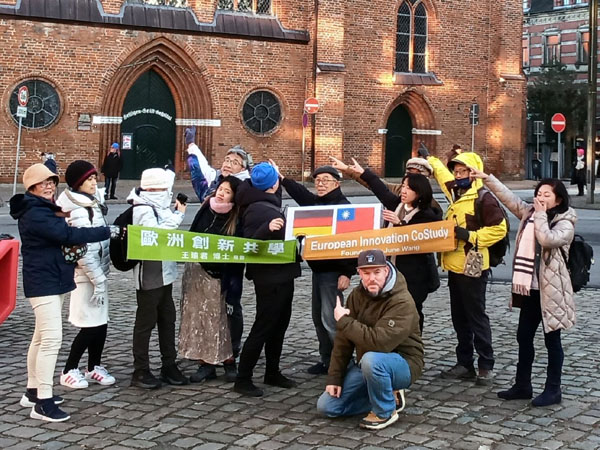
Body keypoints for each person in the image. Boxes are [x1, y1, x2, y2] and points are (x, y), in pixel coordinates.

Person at [10, 163, 114, 422]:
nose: (49, 186)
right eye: (43, 183)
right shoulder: (35, 212)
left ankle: (32, 392)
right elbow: (66, 234)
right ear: (31, 187)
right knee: (51, 340)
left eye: (52, 182)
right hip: (43, 281)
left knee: (39, 338)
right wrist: (104, 231)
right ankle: (43, 402)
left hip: (51, 278)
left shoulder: (42, 208)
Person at [470, 169, 576, 407]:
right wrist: (487, 178)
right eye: (539, 193)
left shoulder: (565, 221)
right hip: (529, 289)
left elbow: (547, 239)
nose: (541, 197)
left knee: (552, 341)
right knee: (524, 336)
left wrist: (539, 215)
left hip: (552, 292)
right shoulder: (529, 213)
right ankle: (522, 385)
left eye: (547, 194)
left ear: (558, 199)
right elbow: (508, 198)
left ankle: (553, 389)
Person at [418, 146, 507, 386]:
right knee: (459, 317)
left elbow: (499, 229)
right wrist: (430, 158)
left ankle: (485, 364)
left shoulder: (483, 198)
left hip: (474, 266)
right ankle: (464, 362)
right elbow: (441, 175)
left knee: (476, 315)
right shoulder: (456, 192)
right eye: (456, 171)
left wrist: (469, 236)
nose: (458, 175)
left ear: (474, 171)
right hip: (455, 266)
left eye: (463, 171)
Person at [316, 249, 424, 430]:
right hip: (368, 365)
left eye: (377, 272)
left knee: (372, 359)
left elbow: (380, 343)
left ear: (386, 271)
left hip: (403, 363)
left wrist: (343, 321)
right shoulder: (356, 296)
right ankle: (387, 395)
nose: (371, 278)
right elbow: (343, 342)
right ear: (359, 273)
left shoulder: (402, 301)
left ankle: (385, 411)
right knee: (327, 407)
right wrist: (334, 378)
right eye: (366, 273)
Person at [270, 160, 356, 375]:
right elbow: (301, 194)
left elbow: (351, 243)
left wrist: (347, 272)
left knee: (331, 320)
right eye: (317, 180)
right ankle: (327, 360)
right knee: (319, 319)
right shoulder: (318, 203)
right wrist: (282, 179)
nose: (321, 184)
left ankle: (344, 364)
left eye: (326, 180)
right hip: (319, 271)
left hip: (333, 272)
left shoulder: (342, 207)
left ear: (337, 184)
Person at [340, 158, 442, 332]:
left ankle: (413, 347)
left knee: (412, 311)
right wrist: (361, 172)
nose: (403, 190)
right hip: (392, 270)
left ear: (419, 191)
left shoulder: (428, 213)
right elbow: (380, 189)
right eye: (403, 186)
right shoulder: (398, 205)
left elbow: (421, 239)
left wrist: (400, 224)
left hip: (414, 275)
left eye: (408, 188)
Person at [233, 162, 301, 397]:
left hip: (282, 274)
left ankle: (272, 371)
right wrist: (267, 228)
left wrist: (276, 176)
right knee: (263, 326)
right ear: (273, 185)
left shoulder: (262, 199)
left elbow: (273, 191)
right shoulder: (259, 209)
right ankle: (243, 378)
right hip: (270, 278)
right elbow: (249, 242)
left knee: (279, 326)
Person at [127, 167, 189, 389]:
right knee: (145, 323)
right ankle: (140, 370)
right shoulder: (142, 209)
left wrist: (174, 213)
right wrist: (179, 215)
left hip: (165, 272)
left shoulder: (158, 206)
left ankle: (168, 364)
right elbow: (157, 236)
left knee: (167, 319)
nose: (169, 194)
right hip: (150, 275)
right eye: (165, 190)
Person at [56, 161, 115, 389]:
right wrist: (98, 279)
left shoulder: (92, 203)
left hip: (99, 273)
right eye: (89, 179)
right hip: (86, 277)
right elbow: (84, 249)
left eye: (94, 178)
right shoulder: (78, 209)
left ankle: (93, 366)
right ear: (79, 182)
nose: (94, 182)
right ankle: (69, 368)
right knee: (89, 326)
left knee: (101, 323)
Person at [180, 176, 242, 383]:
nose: (221, 193)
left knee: (223, 318)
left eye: (227, 191)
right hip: (199, 272)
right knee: (201, 317)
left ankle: (228, 360)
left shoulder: (236, 216)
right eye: (220, 189)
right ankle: (205, 362)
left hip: (222, 275)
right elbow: (192, 235)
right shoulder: (207, 208)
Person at [185, 127, 250, 201]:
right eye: (227, 160)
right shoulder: (215, 177)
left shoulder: (245, 187)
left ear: (243, 169)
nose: (228, 165)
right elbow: (202, 165)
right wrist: (191, 144)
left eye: (235, 163)